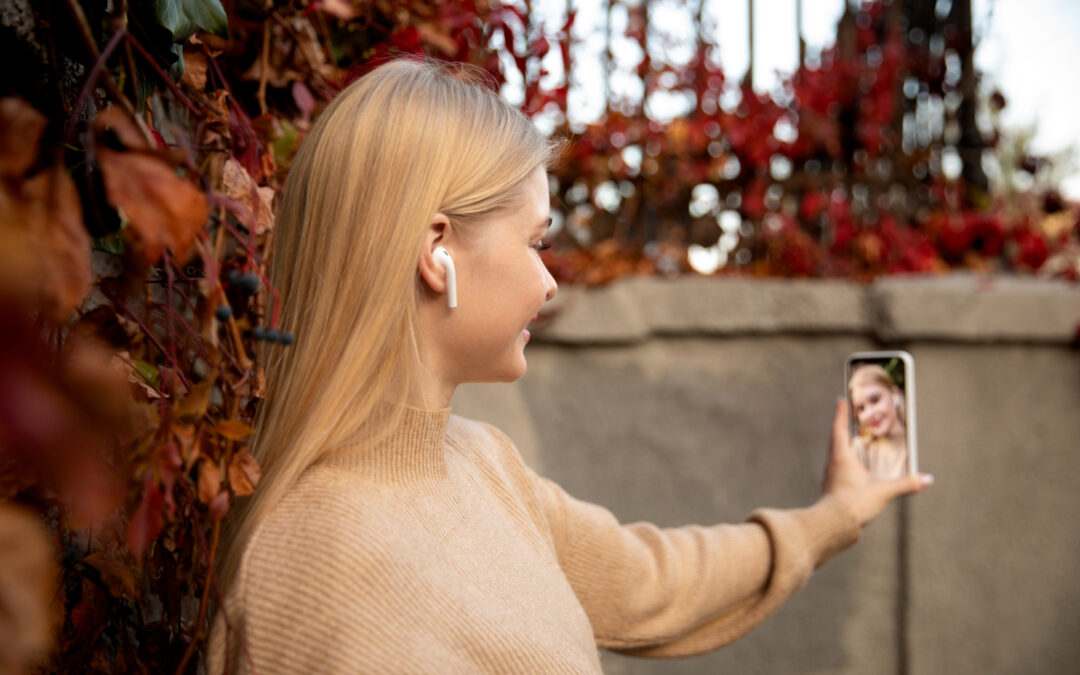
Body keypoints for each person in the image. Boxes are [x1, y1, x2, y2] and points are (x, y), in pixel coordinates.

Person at [205, 58, 932, 674]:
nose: (549, 282)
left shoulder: (482, 461)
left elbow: (653, 581)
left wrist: (839, 512)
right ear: (437, 251)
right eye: (535, 241)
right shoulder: (312, 564)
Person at [848, 364, 909, 480]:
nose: (869, 413)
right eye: (861, 408)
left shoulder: (918, 444)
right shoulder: (859, 449)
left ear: (895, 395)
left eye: (875, 400)